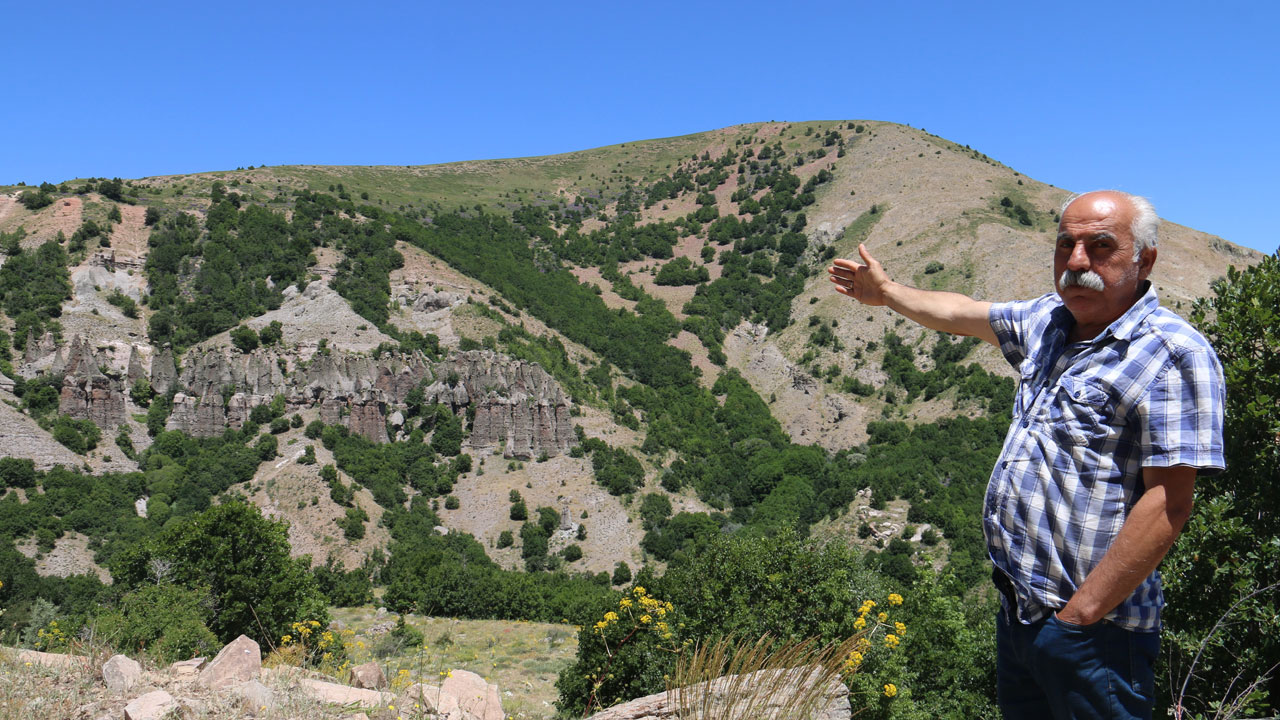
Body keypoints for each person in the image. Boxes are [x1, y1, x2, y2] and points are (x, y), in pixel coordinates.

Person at [827, 190, 1225, 719]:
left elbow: (1169, 503)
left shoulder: (1173, 353)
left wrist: (1077, 619)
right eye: (1066, 245)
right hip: (1019, 610)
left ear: (1143, 258)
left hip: (1095, 635)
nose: (1077, 262)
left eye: (1099, 246)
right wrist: (888, 292)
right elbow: (961, 313)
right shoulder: (1048, 322)